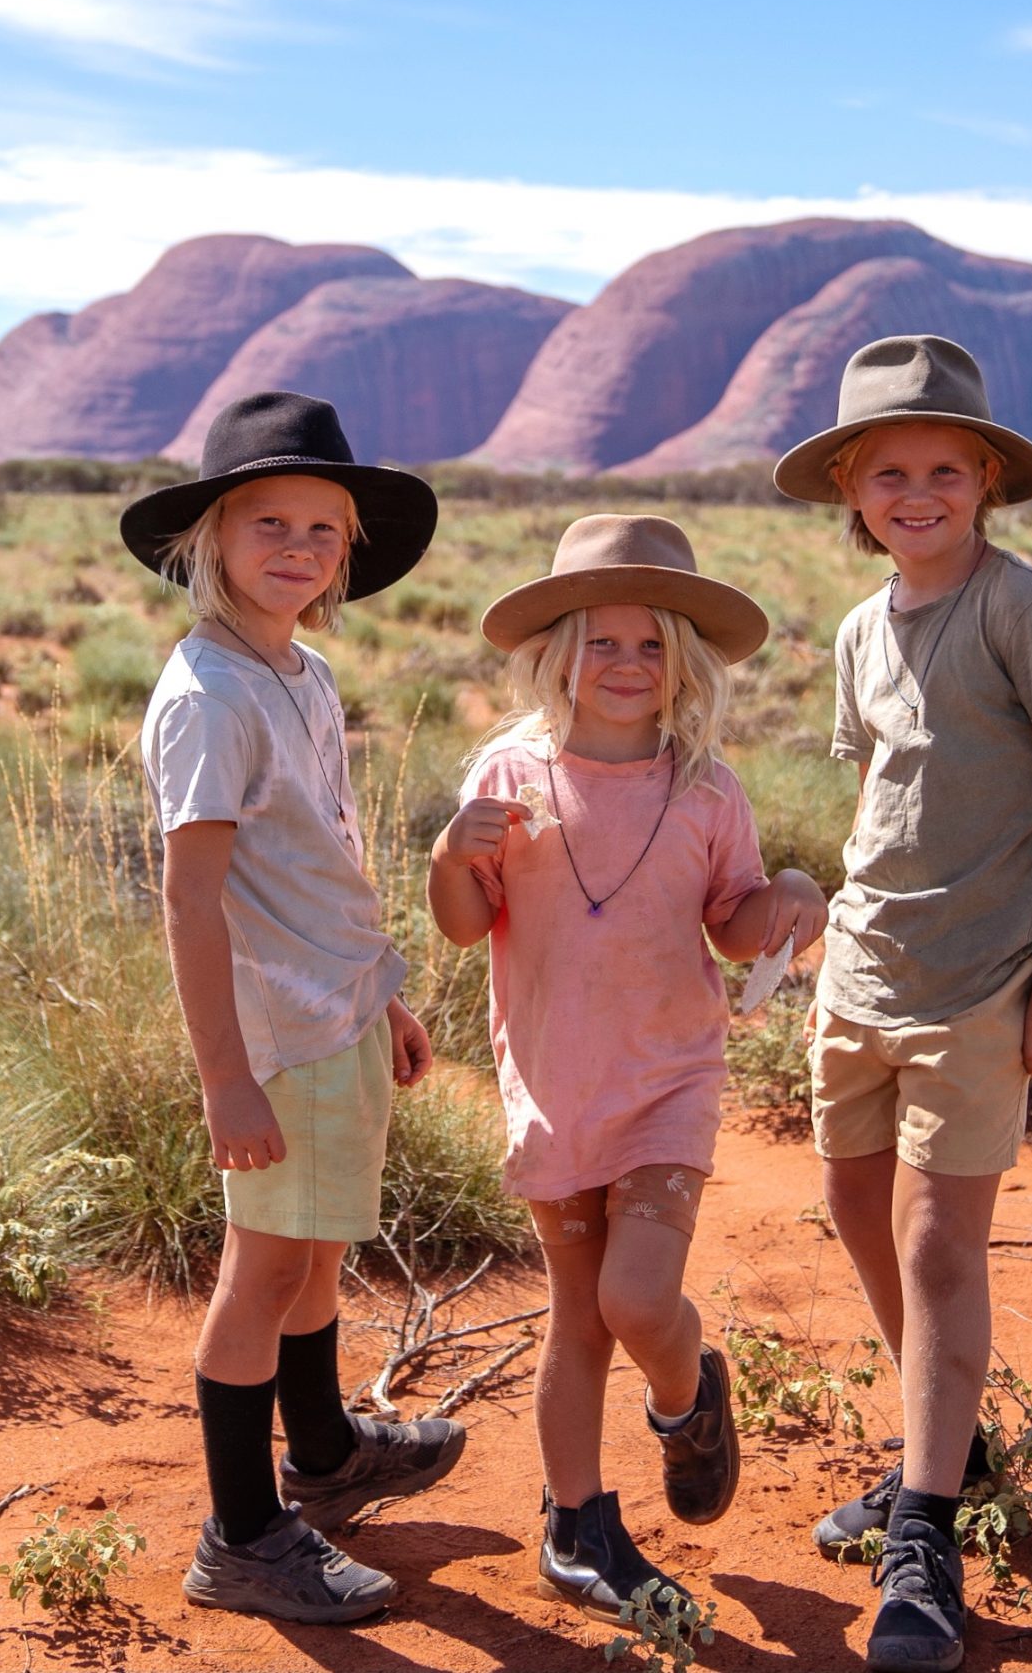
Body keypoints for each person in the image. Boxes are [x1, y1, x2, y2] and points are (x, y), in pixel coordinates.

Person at [773, 338, 1032, 1671]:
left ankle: (923, 1529)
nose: (912, 492)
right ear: (851, 494)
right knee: (852, 1214)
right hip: (861, 972)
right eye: (886, 474)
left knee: (935, 1248)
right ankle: (955, 1444)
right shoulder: (863, 627)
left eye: (938, 469)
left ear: (981, 479)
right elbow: (888, 790)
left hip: (981, 987)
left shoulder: (1026, 612)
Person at [426, 514, 828, 1627]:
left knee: (639, 1298)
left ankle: (687, 1395)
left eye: (651, 646)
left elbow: (738, 926)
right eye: (601, 643)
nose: (626, 666)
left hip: (667, 1079)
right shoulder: (507, 776)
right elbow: (465, 926)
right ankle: (577, 1526)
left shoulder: (706, 790)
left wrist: (787, 891)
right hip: (555, 1082)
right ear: (557, 653)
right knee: (579, 1319)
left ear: (683, 664)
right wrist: (446, 853)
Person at [120, 390, 465, 1626]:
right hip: (274, 1035)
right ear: (208, 536)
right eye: (269, 520)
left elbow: (324, 852)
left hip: (338, 1011)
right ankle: (243, 1534)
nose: (300, 548)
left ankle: (323, 1454)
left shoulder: (301, 670)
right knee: (265, 1265)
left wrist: (385, 992)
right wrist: (225, 1076)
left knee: (316, 1244)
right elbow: (192, 897)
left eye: (324, 529)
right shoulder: (209, 694)